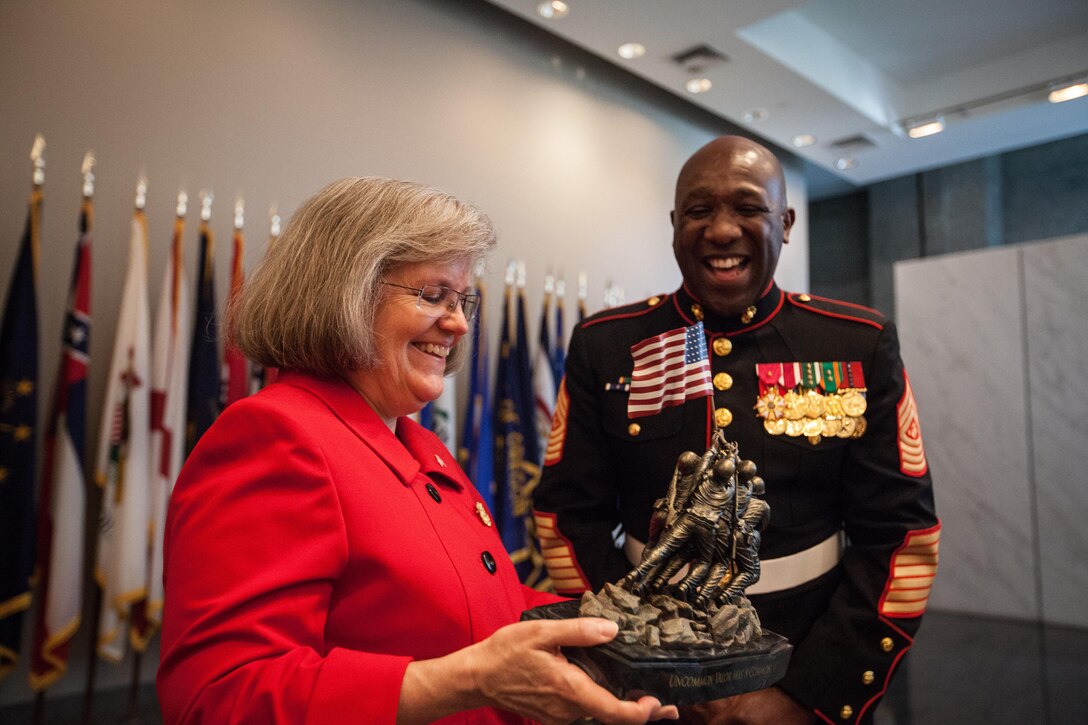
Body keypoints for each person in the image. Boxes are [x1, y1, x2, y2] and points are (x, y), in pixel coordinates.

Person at [157, 177, 679, 724]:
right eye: (433, 295)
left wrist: (618, 634)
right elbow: (217, 699)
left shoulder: (418, 442)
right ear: (346, 291)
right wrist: (471, 680)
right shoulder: (274, 437)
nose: (457, 323)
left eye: (462, 300)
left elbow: (483, 605)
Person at [533, 137, 940, 724]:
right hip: (647, 680)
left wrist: (809, 696)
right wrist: (635, 660)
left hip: (808, 655)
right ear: (675, 226)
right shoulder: (607, 345)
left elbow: (901, 537)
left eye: (748, 208)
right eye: (700, 211)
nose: (722, 231)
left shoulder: (855, 343)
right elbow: (567, 518)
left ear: (786, 222)